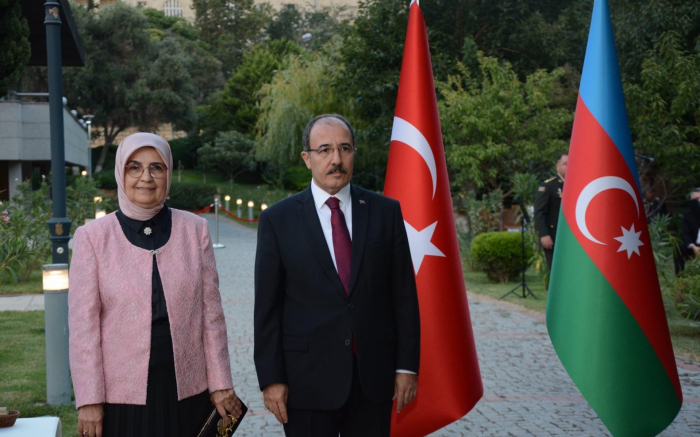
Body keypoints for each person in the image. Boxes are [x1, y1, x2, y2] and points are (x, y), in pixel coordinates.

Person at [254, 114, 421, 437]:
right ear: (307, 158)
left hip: (373, 378)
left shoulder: (385, 213)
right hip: (307, 382)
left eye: (345, 149)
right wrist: (272, 379)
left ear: (354, 154)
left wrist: (406, 367)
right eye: (325, 150)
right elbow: (267, 309)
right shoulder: (278, 220)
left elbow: (403, 296)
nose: (336, 159)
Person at [69, 133, 242, 437]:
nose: (145, 178)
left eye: (156, 168)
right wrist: (89, 399)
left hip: (188, 389)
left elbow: (211, 317)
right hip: (121, 396)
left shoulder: (195, 230)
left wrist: (221, 383)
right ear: (121, 173)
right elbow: (83, 330)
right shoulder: (93, 238)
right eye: (134, 167)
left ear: (168, 174)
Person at [534, 153, 567, 270]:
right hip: (554, 236)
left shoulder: (579, 185)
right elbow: (539, 212)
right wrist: (544, 234)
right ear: (557, 166)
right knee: (557, 270)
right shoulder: (548, 186)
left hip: (573, 238)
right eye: (565, 164)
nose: (569, 167)